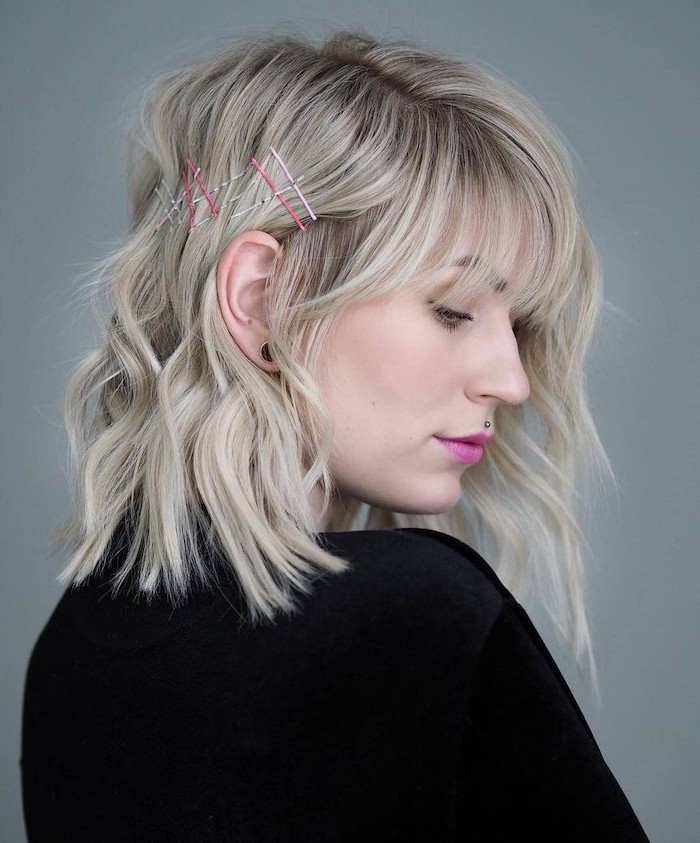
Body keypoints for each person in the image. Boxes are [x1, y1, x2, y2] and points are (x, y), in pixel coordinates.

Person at [20, 30, 650, 841]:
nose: (512, 379)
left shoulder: (75, 643)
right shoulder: (419, 613)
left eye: (519, 323)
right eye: (454, 309)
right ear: (260, 297)